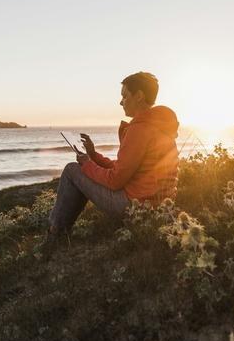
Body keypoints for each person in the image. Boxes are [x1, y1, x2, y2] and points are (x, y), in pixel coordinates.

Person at [40, 71, 179, 260]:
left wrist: (87, 165)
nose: (121, 102)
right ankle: (59, 232)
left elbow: (115, 181)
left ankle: (55, 234)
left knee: (72, 170)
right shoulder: (159, 126)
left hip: (133, 207)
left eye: (124, 96)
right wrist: (94, 156)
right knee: (81, 170)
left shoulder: (140, 129)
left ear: (139, 96)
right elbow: (126, 169)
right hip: (157, 206)